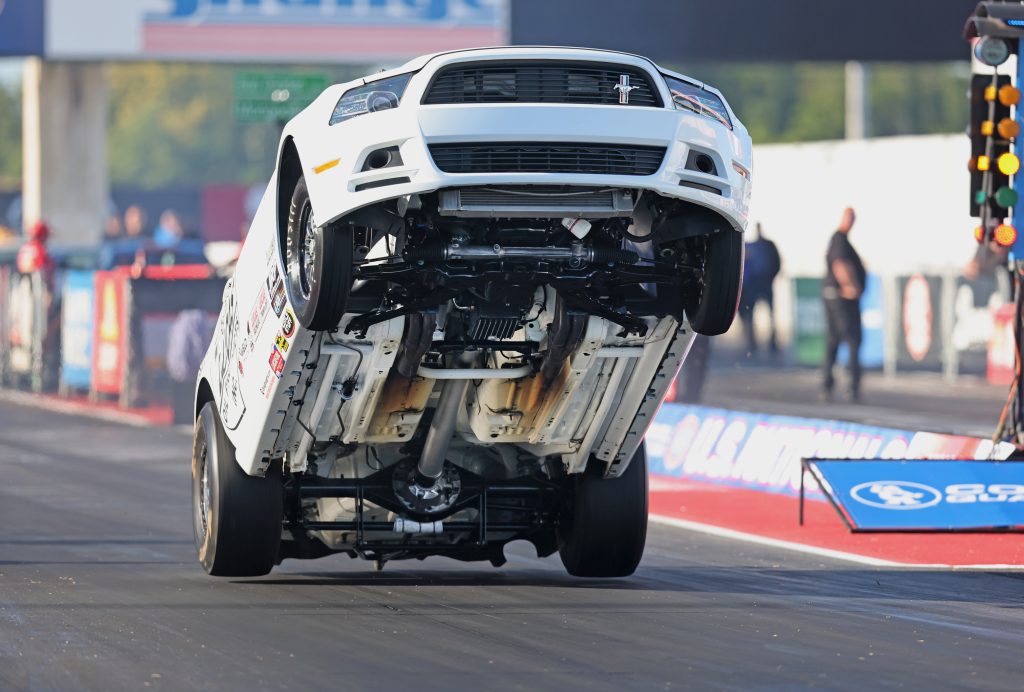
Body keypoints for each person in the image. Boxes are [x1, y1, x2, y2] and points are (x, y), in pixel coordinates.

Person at [822, 207, 866, 403]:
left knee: (833, 341)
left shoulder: (839, 240)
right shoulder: (840, 240)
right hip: (842, 299)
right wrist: (851, 286)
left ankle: (827, 385)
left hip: (834, 296)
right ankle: (851, 387)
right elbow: (840, 264)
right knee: (852, 340)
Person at [739, 223, 782, 355]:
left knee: (764, 315)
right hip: (757, 285)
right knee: (754, 315)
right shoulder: (757, 245)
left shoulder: (762, 246)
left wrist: (770, 277)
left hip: (760, 284)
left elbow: (776, 262)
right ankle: (755, 344)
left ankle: (764, 344)